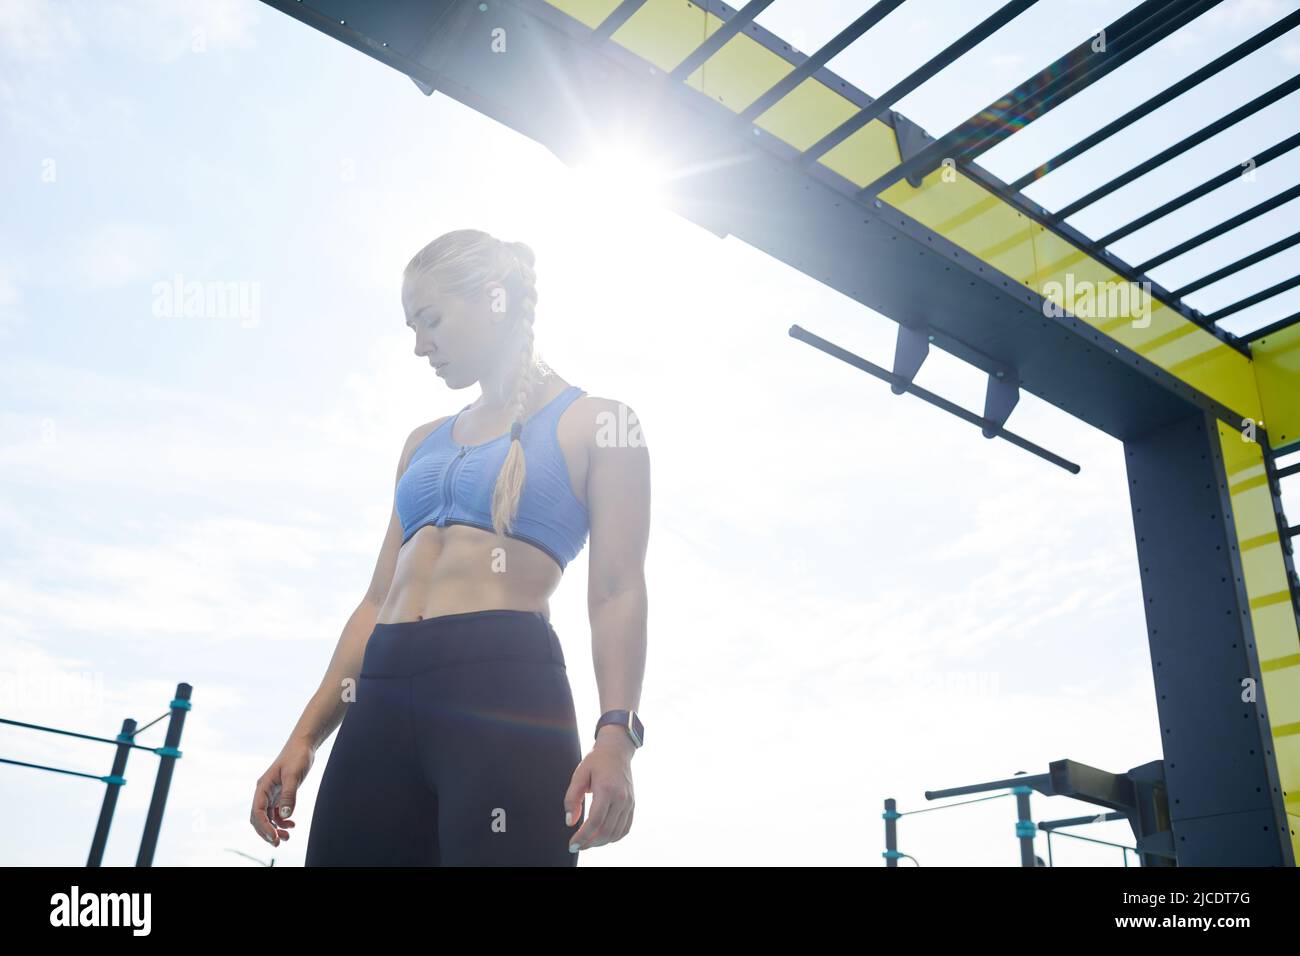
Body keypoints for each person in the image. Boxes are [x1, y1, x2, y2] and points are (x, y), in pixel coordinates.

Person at [248, 228, 650, 865]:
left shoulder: (601, 423)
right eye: (411, 326)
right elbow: (377, 599)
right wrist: (305, 736)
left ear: (494, 299)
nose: (419, 346)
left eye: (430, 320)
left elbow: (617, 590)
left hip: (503, 689)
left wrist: (617, 736)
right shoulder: (421, 442)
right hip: (380, 693)